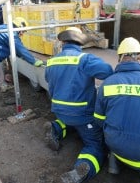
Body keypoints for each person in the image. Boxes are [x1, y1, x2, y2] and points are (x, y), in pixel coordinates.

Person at [94, 37, 140, 183]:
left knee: (113, 132)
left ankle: (114, 164)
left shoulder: (107, 84)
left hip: (114, 144)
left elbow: (98, 119)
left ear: (120, 58)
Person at [44, 27, 113, 183]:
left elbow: (48, 79)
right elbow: (107, 72)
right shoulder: (85, 59)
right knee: (95, 143)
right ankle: (83, 167)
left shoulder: (52, 61)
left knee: (69, 122)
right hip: (83, 116)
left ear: (62, 43)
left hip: (59, 111)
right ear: (79, 43)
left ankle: (55, 128)